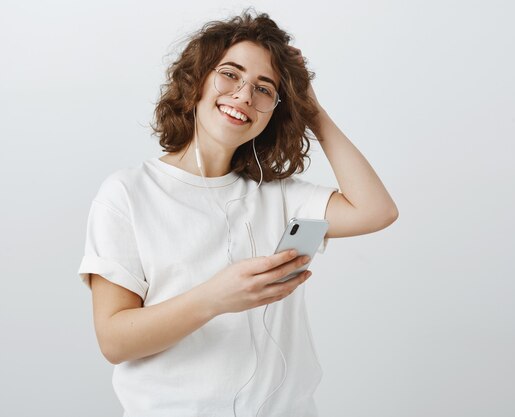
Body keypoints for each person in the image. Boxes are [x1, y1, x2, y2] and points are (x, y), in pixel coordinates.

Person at [78, 10, 398, 417]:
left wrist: (311, 108)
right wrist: (215, 298)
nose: (245, 95)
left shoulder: (280, 198)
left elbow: (378, 210)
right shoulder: (127, 193)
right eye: (230, 74)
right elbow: (114, 340)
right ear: (196, 81)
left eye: (264, 88)